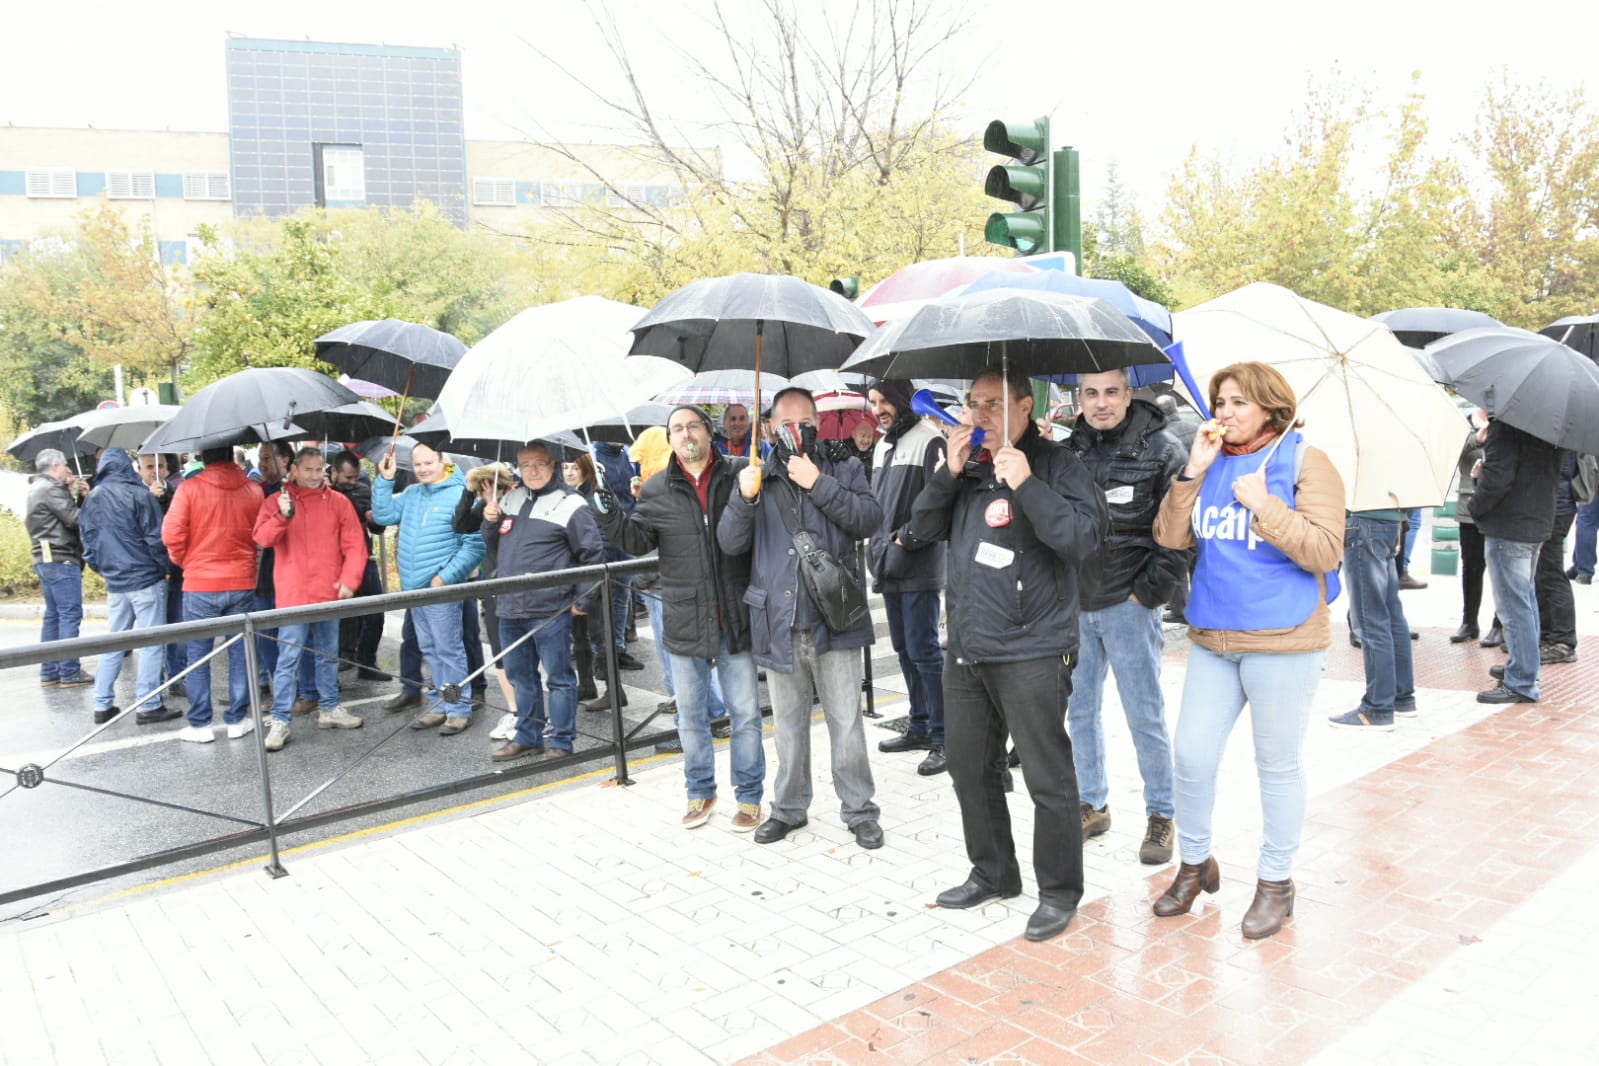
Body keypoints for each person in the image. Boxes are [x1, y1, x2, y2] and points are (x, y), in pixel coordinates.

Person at [909, 366, 1105, 943]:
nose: (980, 415)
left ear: (1025, 406)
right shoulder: (965, 467)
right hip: (969, 646)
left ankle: (1059, 892)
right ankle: (993, 871)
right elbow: (921, 530)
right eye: (973, 403)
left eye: (993, 404)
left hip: (1034, 648)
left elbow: (1082, 541)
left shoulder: (1058, 465)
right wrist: (946, 473)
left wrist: (1027, 484)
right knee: (970, 768)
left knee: (1048, 777)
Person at [1150, 362, 1344, 940]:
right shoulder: (1211, 461)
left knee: (1276, 767)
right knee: (1191, 757)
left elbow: (1326, 551)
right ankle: (1194, 864)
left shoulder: (1307, 461)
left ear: (1270, 408)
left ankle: (1276, 884)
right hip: (1213, 636)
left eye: (1238, 402)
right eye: (1220, 402)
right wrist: (1192, 473)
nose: (1225, 413)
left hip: (1283, 640)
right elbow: (1170, 538)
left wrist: (1267, 508)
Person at [718, 387, 884, 850]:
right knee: (787, 726)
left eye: (804, 422)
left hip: (836, 618)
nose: (794, 431)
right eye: (784, 423)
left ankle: (859, 810)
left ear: (816, 422)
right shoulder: (754, 475)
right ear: (769, 427)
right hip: (778, 620)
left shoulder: (842, 466)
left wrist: (819, 483)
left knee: (846, 723)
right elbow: (731, 543)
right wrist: (744, 499)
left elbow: (869, 519)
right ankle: (789, 809)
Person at [596, 405, 766, 829]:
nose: (686, 433)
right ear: (669, 440)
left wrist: (755, 488)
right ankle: (699, 792)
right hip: (684, 618)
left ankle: (749, 796)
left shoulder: (741, 473)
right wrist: (608, 513)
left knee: (745, 714)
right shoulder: (656, 489)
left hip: (734, 615)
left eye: (693, 425)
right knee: (690, 717)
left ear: (708, 432)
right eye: (677, 429)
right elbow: (636, 542)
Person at [1064, 368, 1187, 861]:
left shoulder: (1163, 452)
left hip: (1129, 607)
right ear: (1079, 398)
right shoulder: (1067, 451)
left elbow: (1179, 531)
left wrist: (1148, 593)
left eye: (1111, 392)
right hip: (1076, 605)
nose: (1101, 403)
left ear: (1128, 394)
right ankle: (1091, 803)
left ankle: (1161, 814)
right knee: (1080, 711)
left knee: (1145, 715)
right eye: (1091, 393)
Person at [481, 443, 603, 759]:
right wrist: (489, 520)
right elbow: (494, 545)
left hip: (551, 607)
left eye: (539, 463)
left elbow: (591, 554)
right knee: (521, 677)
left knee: (559, 678)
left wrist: (583, 599)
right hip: (509, 606)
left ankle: (562, 742)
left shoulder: (572, 503)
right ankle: (528, 737)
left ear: (554, 465)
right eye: (525, 464)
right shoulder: (511, 497)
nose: (532, 470)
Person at [253, 447, 369, 751]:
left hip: (328, 591)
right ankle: (280, 719)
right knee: (289, 659)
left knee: (328, 654)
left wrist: (349, 580)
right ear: (294, 470)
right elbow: (262, 538)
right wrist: (282, 514)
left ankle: (329, 707)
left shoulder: (339, 503)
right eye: (309, 470)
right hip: (294, 594)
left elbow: (355, 545)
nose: (316, 476)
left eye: (320, 469)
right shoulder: (277, 501)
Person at [864, 379, 949, 777]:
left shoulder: (929, 438)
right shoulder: (883, 444)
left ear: (901, 400)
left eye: (884, 401)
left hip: (917, 563)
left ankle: (944, 737)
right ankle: (918, 724)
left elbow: (938, 499)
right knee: (903, 648)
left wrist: (904, 540)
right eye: (873, 402)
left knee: (924, 650)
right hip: (888, 562)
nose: (878, 409)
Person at [372, 443, 487, 734]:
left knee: (448, 649)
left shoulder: (460, 494)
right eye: (418, 464)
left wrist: (444, 579)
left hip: (439, 589)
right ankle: (439, 703)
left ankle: (458, 709)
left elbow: (474, 545)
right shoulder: (412, 493)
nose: (422, 469)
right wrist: (385, 479)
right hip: (415, 588)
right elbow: (383, 516)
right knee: (430, 649)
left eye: (428, 463)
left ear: (442, 461)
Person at [162, 445, 265, 743]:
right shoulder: (253, 491)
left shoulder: (188, 489)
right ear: (232, 456)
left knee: (198, 656)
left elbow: (171, 535)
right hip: (242, 581)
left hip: (199, 583)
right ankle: (237, 719)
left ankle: (200, 724)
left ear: (204, 457)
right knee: (239, 654)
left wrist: (186, 561)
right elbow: (260, 535)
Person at [78, 449, 181, 725]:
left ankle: (102, 702)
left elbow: (87, 544)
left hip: (116, 582)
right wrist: (166, 569)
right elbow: (155, 539)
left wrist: (105, 570)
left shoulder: (93, 498)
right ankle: (149, 704)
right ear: (128, 467)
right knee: (151, 644)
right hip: (146, 579)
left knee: (115, 641)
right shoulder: (139, 495)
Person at [1470, 418, 1561, 703]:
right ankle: (1524, 667)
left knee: (1513, 605)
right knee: (1524, 601)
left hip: (1510, 526)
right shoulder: (1552, 424)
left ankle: (1522, 678)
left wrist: (1475, 503)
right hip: (1536, 522)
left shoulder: (1507, 424)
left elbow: (1498, 479)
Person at [1329, 507, 1415, 731]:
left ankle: (1378, 707)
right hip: (1392, 521)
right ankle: (1402, 697)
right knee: (1392, 613)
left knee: (1371, 617)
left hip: (1363, 523)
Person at [455, 463, 524, 740]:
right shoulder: (483, 505)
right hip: (492, 588)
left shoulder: (518, 505)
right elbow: (460, 525)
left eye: (492, 487)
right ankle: (514, 710)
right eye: (483, 487)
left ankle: (533, 712)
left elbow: (501, 541)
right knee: (499, 653)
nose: (489, 493)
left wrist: (493, 517)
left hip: (517, 586)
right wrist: (469, 494)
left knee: (523, 653)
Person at [26, 449, 91, 687]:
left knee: (53, 615)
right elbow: (75, 519)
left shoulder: (37, 487)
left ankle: (50, 670)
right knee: (69, 614)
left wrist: (73, 491)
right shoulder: (51, 489)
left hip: (45, 558)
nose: (68, 470)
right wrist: (86, 497)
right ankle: (69, 671)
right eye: (65, 466)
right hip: (61, 558)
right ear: (55, 467)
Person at [329, 450, 387, 678]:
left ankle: (367, 661)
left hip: (364, 558)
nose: (352, 482)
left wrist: (376, 520)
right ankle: (343, 656)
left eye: (355, 477)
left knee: (375, 613)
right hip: (336, 563)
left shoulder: (363, 490)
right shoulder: (324, 493)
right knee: (342, 614)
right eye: (347, 478)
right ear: (334, 472)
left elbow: (378, 527)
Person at [1533, 451, 1580, 664]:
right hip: (1555, 504)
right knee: (1543, 572)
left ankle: (1563, 640)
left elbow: (1557, 469)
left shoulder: (1558, 427)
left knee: (1550, 573)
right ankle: (1549, 634)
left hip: (1555, 506)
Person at [1453, 416, 1487, 643]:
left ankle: (1501, 625)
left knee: (1502, 570)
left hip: (1501, 506)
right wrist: (1477, 438)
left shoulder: (1509, 417)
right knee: (1472, 567)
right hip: (1469, 506)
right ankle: (1469, 621)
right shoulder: (1463, 422)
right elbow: (1450, 450)